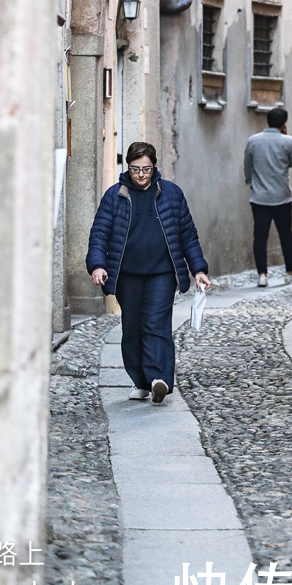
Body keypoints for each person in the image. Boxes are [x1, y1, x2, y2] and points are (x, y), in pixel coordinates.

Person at [86, 141, 210, 403]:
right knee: (132, 329)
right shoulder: (114, 196)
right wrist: (97, 265)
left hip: (161, 273)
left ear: (154, 167)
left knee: (156, 323)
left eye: (146, 169)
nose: (141, 175)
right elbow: (99, 234)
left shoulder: (172, 194)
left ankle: (159, 379)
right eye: (135, 169)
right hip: (126, 275)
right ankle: (141, 381)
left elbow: (188, 235)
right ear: (127, 167)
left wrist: (198, 269)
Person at [244, 107, 292, 288]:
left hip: (259, 198)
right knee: (286, 235)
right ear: (284, 124)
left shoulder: (253, 141)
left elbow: (247, 165)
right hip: (282, 198)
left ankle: (262, 275)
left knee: (260, 237)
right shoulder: (288, 141)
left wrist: (250, 182)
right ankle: (290, 271)